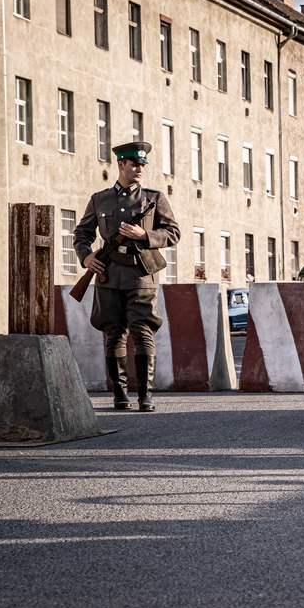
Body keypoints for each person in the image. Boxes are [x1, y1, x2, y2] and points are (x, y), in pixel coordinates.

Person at [75, 141, 180, 412]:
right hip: (108, 276)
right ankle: (120, 396)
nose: (139, 168)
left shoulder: (154, 199)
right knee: (113, 334)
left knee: (143, 332)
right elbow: (82, 233)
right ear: (120, 165)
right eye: (134, 164)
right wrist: (86, 256)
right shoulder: (100, 199)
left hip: (141, 275)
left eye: (142, 164)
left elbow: (173, 233)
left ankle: (146, 396)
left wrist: (144, 235)